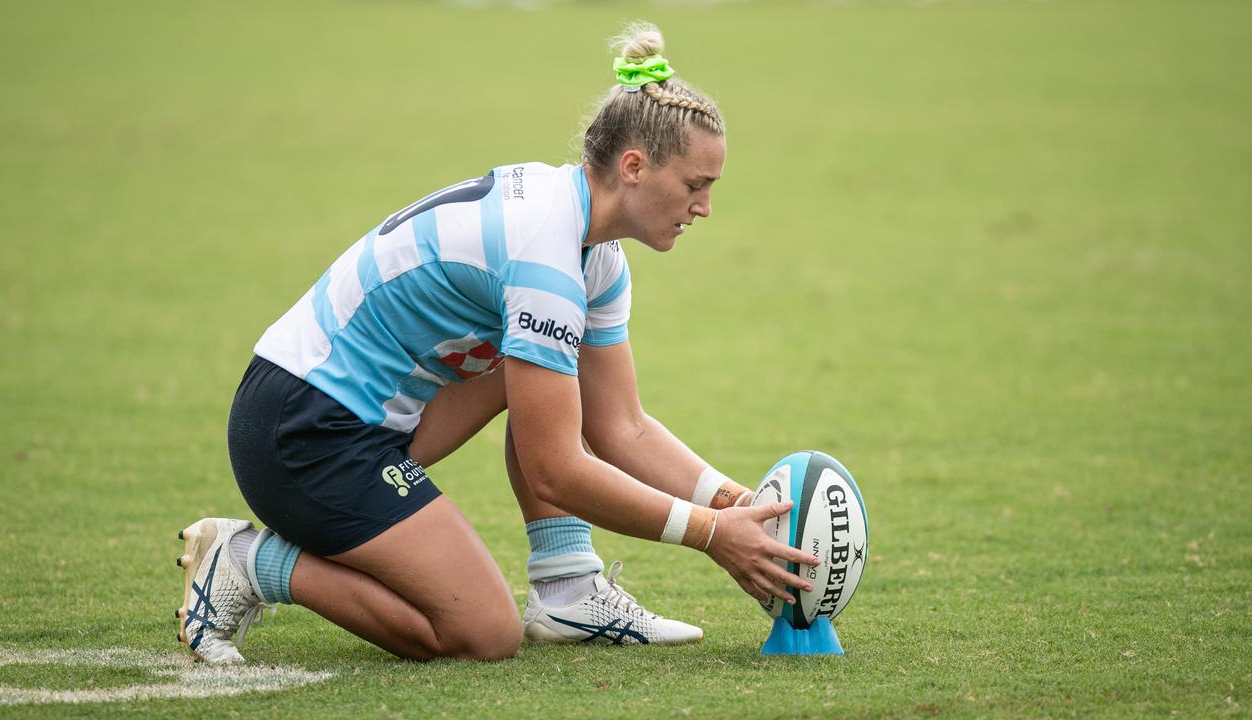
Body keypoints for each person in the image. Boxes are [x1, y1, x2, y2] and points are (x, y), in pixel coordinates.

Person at [174, 21, 819, 663]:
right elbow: (555, 469)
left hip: (354, 414)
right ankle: (246, 562)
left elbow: (622, 425)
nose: (704, 207)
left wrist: (740, 506)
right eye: (695, 185)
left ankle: (568, 590)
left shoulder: (593, 252)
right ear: (634, 167)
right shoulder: (546, 255)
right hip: (301, 429)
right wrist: (711, 534)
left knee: (560, 385)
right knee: (482, 632)